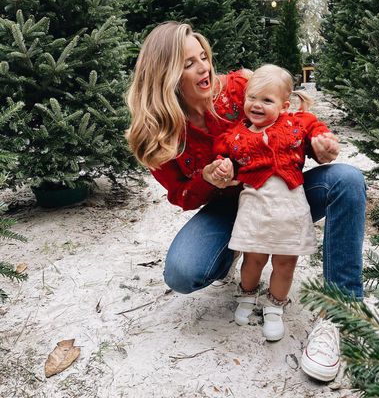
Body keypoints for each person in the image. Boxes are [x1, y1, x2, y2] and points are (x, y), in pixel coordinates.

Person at [126, 21, 366, 382]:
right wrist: (206, 179)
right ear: (166, 74)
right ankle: (238, 251)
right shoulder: (159, 131)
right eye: (189, 63)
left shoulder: (238, 89)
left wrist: (319, 143)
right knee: (183, 272)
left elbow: (291, 120)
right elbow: (181, 196)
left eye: (203, 56)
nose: (204, 67)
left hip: (285, 193)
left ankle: (339, 311)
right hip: (229, 207)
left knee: (347, 180)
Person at [212, 64, 332, 342]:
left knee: (285, 262)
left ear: (284, 105)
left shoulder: (295, 123)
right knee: (254, 257)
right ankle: (247, 293)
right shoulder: (236, 135)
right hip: (255, 208)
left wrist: (323, 139)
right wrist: (221, 167)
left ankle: (275, 305)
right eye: (252, 98)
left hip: (290, 209)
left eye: (267, 100)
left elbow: (314, 126)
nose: (257, 105)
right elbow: (221, 154)